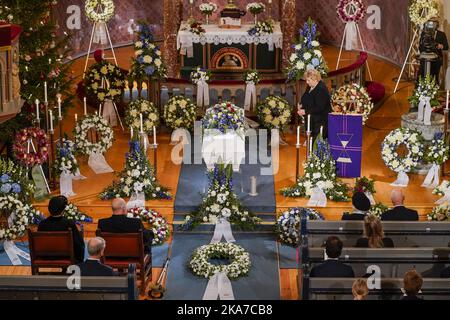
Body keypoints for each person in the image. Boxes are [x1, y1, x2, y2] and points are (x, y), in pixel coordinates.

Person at [38, 195, 85, 263]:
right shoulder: (69, 224)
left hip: (46, 256)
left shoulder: (42, 224)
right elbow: (78, 244)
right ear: (63, 210)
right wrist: (79, 260)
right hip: (66, 256)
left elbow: (40, 243)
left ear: (49, 208)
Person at [297, 69, 332, 141]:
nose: (307, 82)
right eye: (306, 80)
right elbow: (306, 98)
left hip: (320, 122)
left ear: (315, 79)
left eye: (308, 80)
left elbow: (320, 108)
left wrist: (305, 111)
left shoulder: (321, 89)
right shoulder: (310, 86)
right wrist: (301, 105)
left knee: (316, 145)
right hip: (312, 120)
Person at [418, 18, 448, 85]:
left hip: (436, 59)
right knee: (422, 74)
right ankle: (421, 88)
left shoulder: (442, 34)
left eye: (434, 23)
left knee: (434, 76)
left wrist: (441, 46)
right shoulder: (424, 33)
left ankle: (434, 90)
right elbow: (420, 46)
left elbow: (446, 47)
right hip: (425, 58)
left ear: (437, 25)